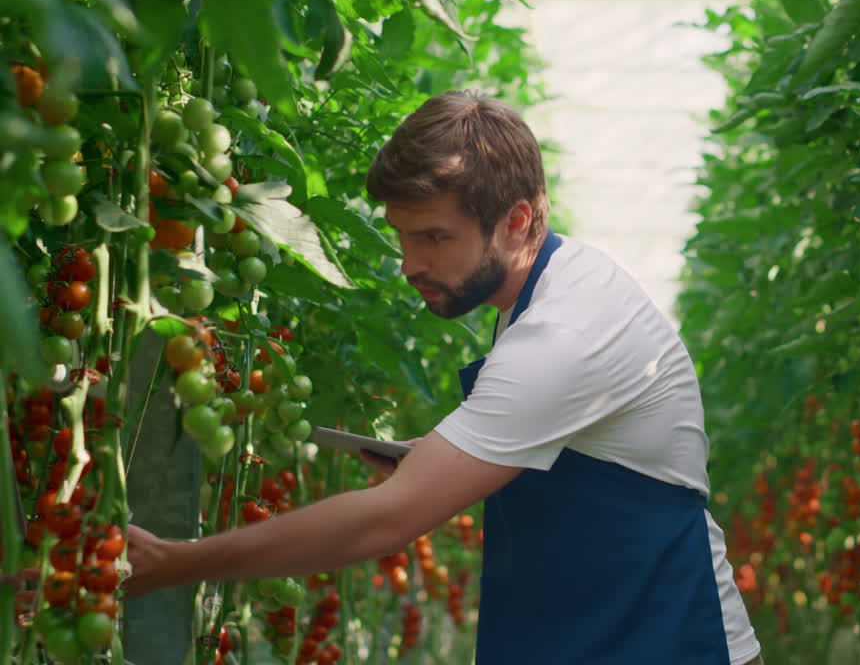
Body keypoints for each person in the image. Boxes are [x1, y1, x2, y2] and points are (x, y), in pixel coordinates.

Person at [125, 91, 763, 664]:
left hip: (670, 639)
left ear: (517, 220)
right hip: (604, 631)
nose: (410, 263)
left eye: (434, 237)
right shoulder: (550, 289)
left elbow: (386, 522)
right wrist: (437, 459)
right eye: (403, 235)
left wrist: (175, 562)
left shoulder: (564, 333)